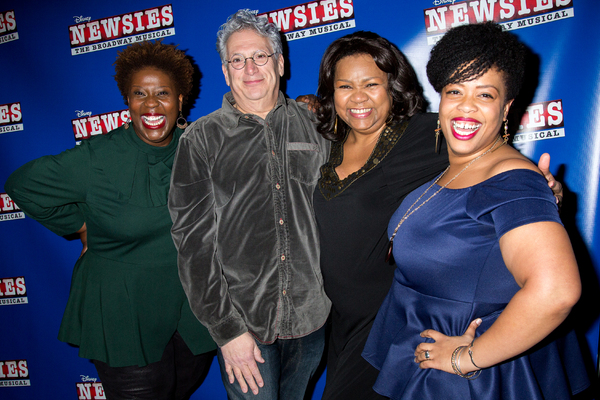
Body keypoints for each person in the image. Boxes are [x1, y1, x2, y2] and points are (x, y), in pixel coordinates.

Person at [310, 31, 566, 400]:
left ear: (392, 86)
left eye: (372, 84)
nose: (358, 96)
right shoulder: (328, 140)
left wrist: (543, 190)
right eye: (345, 85)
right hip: (340, 320)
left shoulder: (428, 134)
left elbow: (491, 157)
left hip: (385, 314)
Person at [4, 41, 216, 400]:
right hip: (123, 312)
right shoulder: (98, 157)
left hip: (190, 311)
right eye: (139, 94)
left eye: (163, 93)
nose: (151, 104)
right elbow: (22, 184)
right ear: (127, 101)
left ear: (181, 100)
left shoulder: (200, 146)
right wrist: (80, 225)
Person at [168, 9, 330, 400]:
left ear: (280, 62)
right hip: (244, 326)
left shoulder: (318, 126)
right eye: (237, 60)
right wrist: (227, 331)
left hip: (312, 318)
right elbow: (193, 245)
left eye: (259, 56)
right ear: (225, 72)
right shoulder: (201, 140)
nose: (249, 68)